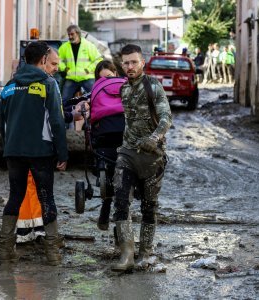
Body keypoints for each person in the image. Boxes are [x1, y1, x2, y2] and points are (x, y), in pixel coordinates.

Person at [0, 41, 68, 266]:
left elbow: (3, 122)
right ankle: (53, 253)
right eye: (51, 60)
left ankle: (5, 251)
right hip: (41, 152)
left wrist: (7, 146)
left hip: (14, 151)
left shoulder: (10, 85)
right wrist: (62, 153)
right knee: (46, 197)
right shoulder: (48, 84)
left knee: (15, 197)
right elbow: (57, 122)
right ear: (43, 60)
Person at [111, 44, 172, 272]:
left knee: (149, 206)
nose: (129, 66)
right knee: (120, 200)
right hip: (127, 153)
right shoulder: (123, 90)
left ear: (142, 62)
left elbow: (166, 117)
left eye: (134, 62)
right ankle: (127, 255)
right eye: (126, 63)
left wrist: (155, 138)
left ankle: (145, 252)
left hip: (152, 156)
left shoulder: (153, 86)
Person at [90, 60, 126, 231]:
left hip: (123, 134)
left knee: (123, 184)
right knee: (111, 178)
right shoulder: (97, 93)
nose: (105, 82)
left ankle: (114, 221)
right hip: (106, 136)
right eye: (101, 79)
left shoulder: (127, 89)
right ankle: (106, 209)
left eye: (109, 77)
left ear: (116, 74)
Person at [58, 24, 103, 106]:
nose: (70, 36)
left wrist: (88, 70)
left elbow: (98, 60)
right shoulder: (64, 47)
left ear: (78, 33)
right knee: (63, 100)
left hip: (87, 77)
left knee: (97, 96)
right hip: (71, 78)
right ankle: (64, 117)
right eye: (69, 34)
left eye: (72, 34)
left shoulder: (88, 45)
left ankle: (98, 113)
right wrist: (64, 68)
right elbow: (58, 59)